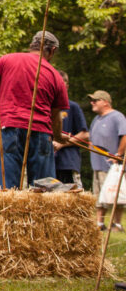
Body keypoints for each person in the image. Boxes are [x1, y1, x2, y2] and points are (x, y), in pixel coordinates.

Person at [0, 31, 69, 189]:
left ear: (32, 45)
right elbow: (55, 115)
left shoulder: (7, 59)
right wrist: (58, 136)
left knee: (8, 191)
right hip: (41, 134)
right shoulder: (55, 75)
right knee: (43, 191)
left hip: (9, 129)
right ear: (52, 50)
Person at [84, 90, 126, 231]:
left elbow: (125, 135)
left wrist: (118, 155)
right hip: (97, 164)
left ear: (106, 102)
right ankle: (99, 224)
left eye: (96, 100)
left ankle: (116, 224)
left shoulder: (117, 117)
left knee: (114, 195)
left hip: (112, 165)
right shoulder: (97, 119)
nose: (92, 103)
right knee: (99, 195)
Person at [52, 70, 88, 186]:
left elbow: (84, 135)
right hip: (49, 163)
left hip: (67, 162)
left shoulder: (72, 106)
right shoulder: (46, 107)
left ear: (66, 86)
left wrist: (61, 144)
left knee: (73, 196)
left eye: (61, 84)